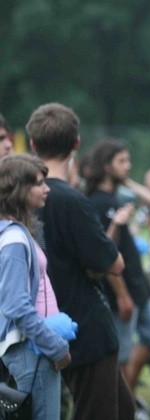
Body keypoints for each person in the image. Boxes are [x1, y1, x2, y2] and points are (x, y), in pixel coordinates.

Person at [27, 102, 135, 420]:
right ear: (76, 143)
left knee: (123, 411)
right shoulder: (70, 200)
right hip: (83, 327)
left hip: (42, 322)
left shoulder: (19, 198)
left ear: (32, 145)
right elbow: (113, 263)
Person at [81, 139, 150, 399]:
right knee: (121, 354)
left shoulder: (116, 195)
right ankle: (123, 400)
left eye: (128, 160)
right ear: (106, 165)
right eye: (121, 161)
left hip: (137, 281)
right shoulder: (96, 202)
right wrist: (121, 294)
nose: (128, 166)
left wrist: (123, 180)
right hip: (121, 286)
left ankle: (127, 395)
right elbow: (103, 253)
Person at [0, 154, 74, 419]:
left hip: (36, 348)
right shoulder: (14, 240)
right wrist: (54, 345)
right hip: (32, 351)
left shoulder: (15, 233)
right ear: (19, 190)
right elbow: (15, 305)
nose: (47, 188)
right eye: (39, 183)